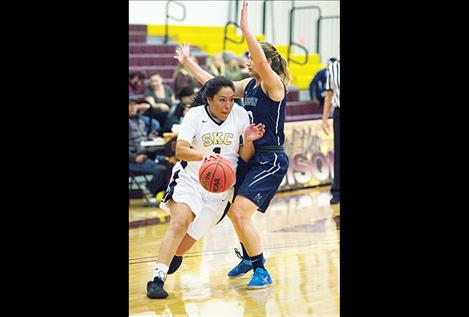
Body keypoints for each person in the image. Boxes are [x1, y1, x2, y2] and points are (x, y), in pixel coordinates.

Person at [172, 0, 291, 289]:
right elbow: (215, 85)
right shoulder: (248, 86)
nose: (247, 62)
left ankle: (261, 269)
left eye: (250, 57)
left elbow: (261, 62)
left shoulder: (273, 86)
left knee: (239, 212)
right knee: (234, 212)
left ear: (266, 62)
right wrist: (188, 64)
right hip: (247, 154)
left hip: (270, 159)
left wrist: (246, 29)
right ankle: (250, 257)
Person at [146, 76, 266, 299]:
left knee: (180, 249)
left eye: (231, 100)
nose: (228, 105)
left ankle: (173, 255)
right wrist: (205, 157)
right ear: (209, 100)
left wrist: (248, 140)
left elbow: (245, 157)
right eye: (222, 100)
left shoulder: (240, 115)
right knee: (180, 221)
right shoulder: (195, 115)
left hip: (221, 189)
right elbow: (180, 150)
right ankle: (156, 279)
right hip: (190, 179)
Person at [129, 96, 168, 204]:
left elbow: (140, 140)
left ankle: (161, 192)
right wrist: (134, 158)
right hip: (134, 159)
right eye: (130, 104)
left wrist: (150, 137)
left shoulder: (140, 121)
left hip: (146, 154)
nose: (132, 107)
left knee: (169, 162)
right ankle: (150, 192)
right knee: (162, 169)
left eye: (134, 104)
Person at [322, 58, 340, 204]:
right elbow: (329, 94)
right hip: (338, 112)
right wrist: (324, 119)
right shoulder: (333, 67)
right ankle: (337, 191)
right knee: (339, 153)